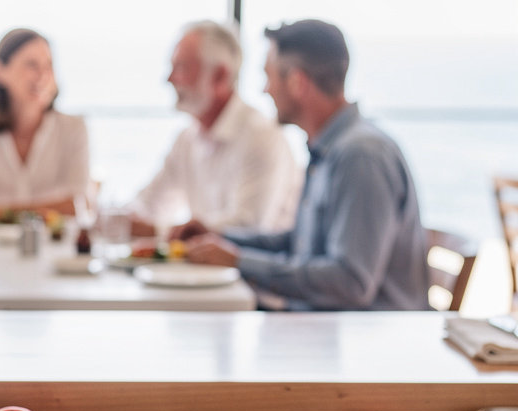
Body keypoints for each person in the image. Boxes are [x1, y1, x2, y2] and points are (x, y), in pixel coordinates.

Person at [180, 19, 430, 310]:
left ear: (297, 82)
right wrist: (220, 236)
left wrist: (239, 261)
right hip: (324, 330)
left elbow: (351, 283)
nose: (265, 90)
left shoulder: (361, 157)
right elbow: (299, 243)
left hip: (360, 342)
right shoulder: (329, 150)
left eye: (269, 76)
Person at [130, 20, 301, 237]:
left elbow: (248, 228)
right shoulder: (187, 138)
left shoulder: (262, 136)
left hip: (250, 271)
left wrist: (158, 231)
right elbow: (148, 204)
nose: (169, 79)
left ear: (220, 76)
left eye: (181, 67)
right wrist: (117, 219)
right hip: (205, 268)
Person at [0, 28, 90, 219]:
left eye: (48, 65)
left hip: (57, 247)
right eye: (32, 65)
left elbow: (79, 205)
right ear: (0, 71)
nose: (43, 75)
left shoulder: (74, 128)